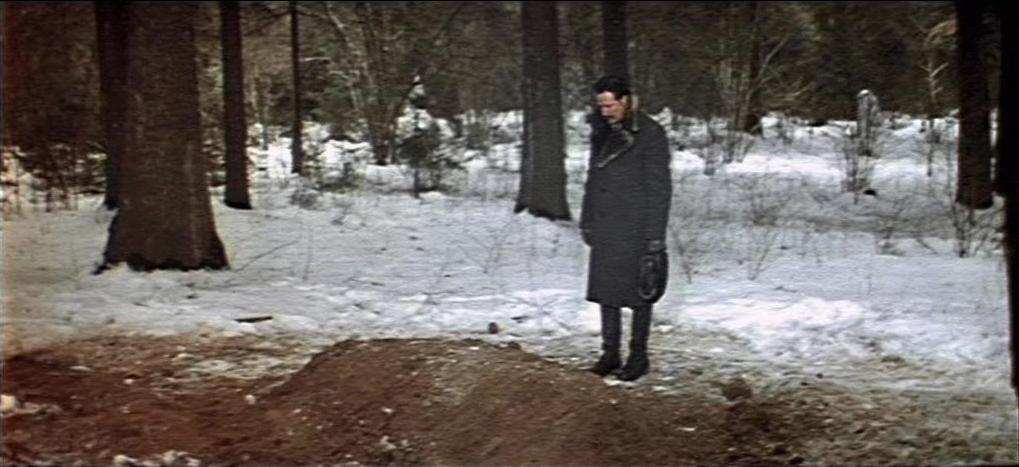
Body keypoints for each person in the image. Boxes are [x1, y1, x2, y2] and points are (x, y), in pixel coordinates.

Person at [580, 75, 672, 381]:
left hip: (635, 227)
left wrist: (655, 235)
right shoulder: (602, 132)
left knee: (640, 293)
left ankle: (638, 357)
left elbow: (660, 189)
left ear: (626, 100)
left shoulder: (650, 133)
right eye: (601, 106)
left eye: (610, 105)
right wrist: (587, 219)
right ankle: (610, 354)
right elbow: (593, 180)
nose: (605, 111)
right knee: (607, 292)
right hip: (606, 224)